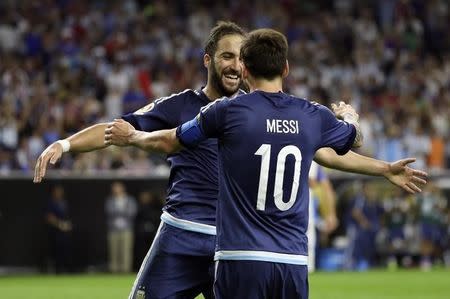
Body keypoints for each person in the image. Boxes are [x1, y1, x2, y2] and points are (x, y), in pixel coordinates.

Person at [35, 21, 427, 298]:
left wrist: (380, 168)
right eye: (226, 56)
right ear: (208, 60)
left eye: (241, 58)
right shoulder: (182, 105)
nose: (235, 65)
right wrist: (65, 145)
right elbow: (116, 130)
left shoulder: (253, 113)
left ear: (249, 65)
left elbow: (323, 154)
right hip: (185, 233)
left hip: (234, 243)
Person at [105, 181, 137, 273]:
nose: (116, 189)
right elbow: (109, 211)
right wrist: (121, 213)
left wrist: (121, 213)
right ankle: (114, 269)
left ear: (122, 188)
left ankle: (125, 269)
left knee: (126, 249)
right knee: (114, 250)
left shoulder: (130, 200)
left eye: (117, 187)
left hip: (127, 228)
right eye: (114, 188)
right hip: (113, 229)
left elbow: (132, 212)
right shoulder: (110, 200)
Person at [45, 185, 73, 273]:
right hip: (54, 232)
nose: (59, 193)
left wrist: (67, 224)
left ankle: (65, 269)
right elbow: (49, 217)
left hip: (65, 233)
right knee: (55, 251)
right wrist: (59, 224)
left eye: (60, 191)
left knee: (66, 250)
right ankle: (55, 270)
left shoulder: (64, 202)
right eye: (57, 191)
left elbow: (68, 216)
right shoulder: (51, 203)